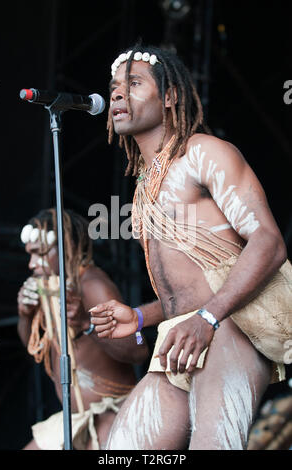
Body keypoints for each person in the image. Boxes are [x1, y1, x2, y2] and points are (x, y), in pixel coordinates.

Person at [90, 44, 292, 450]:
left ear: (169, 97)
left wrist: (209, 319)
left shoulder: (202, 152)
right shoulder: (146, 189)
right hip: (180, 336)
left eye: (133, 83)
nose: (116, 94)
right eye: (114, 87)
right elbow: (187, 295)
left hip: (228, 327)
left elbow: (269, 243)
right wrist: (137, 315)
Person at [17, 208, 149, 450]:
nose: (32, 264)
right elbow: (33, 351)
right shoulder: (51, 289)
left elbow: (138, 350)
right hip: (74, 418)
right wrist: (25, 316)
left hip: (114, 410)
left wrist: (87, 324)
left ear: (66, 247)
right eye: (30, 255)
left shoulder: (92, 284)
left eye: (40, 254)